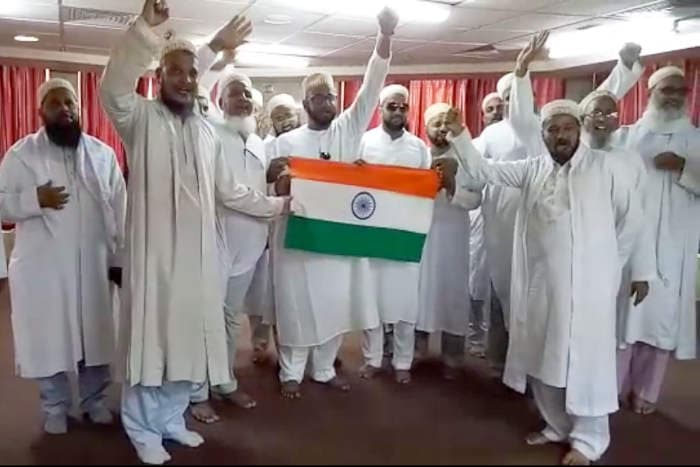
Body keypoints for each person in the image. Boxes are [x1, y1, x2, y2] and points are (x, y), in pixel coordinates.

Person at [100, 1, 288, 463]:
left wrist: (280, 205)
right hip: (156, 259)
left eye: (191, 74)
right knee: (154, 339)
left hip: (201, 259)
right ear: (159, 77)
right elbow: (113, 86)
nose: (185, 80)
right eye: (175, 72)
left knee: (188, 340)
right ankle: (142, 426)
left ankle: (169, 418)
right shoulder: (139, 120)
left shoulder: (205, 132)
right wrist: (150, 29)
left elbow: (231, 192)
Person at [449, 98, 643, 465]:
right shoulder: (532, 169)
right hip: (541, 285)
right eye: (553, 129)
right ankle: (556, 424)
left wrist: (609, 270)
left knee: (585, 362)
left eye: (568, 128)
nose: (561, 135)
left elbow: (630, 221)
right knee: (542, 354)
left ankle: (589, 440)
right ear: (543, 135)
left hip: (589, 289)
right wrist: (460, 136)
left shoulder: (605, 169)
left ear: (578, 130)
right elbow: (485, 171)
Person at [478, 32, 644, 379]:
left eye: (515, 96)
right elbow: (480, 172)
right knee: (513, 302)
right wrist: (520, 71)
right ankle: (511, 367)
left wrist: (624, 69)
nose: (506, 105)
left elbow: (596, 105)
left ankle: (548, 377)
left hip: (559, 237)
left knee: (554, 316)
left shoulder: (561, 137)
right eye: (502, 99)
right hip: (506, 228)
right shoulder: (508, 135)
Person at [270, 6, 398, 399]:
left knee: (332, 304)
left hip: (337, 236)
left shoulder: (347, 130)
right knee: (294, 303)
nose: (325, 101)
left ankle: (323, 368)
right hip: (296, 235)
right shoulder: (285, 142)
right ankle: (291, 371)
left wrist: (385, 38)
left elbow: (372, 87)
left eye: (329, 95)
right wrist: (282, 182)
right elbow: (273, 188)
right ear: (304, 103)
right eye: (316, 96)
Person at [0, 78, 126, 435]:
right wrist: (33, 201)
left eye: (69, 102)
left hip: (94, 264)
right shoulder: (21, 155)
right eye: (54, 103)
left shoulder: (103, 154)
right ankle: (54, 405)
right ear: (41, 111)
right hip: (44, 268)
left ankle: (94, 401)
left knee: (95, 334)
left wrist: (120, 258)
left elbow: (120, 208)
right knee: (48, 336)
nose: (64, 109)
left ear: (79, 107)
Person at [613, 65, 700, 415]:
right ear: (651, 93)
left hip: (675, 245)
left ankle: (646, 391)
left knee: (661, 318)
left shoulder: (695, 139)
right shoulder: (628, 136)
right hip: (632, 239)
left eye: (681, 90)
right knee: (624, 314)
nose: (675, 96)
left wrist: (684, 167)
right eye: (667, 89)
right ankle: (613, 386)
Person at [187, 70, 270, 423]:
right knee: (204, 318)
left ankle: (223, 380)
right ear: (221, 102)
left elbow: (258, 187)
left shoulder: (258, 141)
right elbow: (227, 193)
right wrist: (276, 206)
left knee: (229, 318)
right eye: (235, 94)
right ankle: (196, 391)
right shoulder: (211, 133)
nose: (243, 99)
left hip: (249, 245)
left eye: (248, 94)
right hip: (215, 242)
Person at [356, 84, 432, 384]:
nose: (398, 112)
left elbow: (427, 188)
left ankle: (403, 362)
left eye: (403, 107)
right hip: (371, 233)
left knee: (404, 301)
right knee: (370, 298)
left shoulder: (418, 148)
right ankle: (372, 359)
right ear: (380, 108)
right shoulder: (363, 142)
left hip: (405, 233)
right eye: (392, 106)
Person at [414, 103, 482, 379]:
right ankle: (416, 351)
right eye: (435, 123)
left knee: (452, 293)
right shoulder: (417, 156)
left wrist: (452, 187)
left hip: (454, 236)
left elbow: (477, 198)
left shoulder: (467, 157)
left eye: (446, 123)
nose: (441, 129)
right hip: (423, 236)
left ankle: (453, 357)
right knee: (421, 292)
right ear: (426, 128)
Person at [264, 93, 302, 158]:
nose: (286, 122)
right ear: (272, 122)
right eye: (279, 118)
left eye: (289, 115)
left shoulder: (312, 140)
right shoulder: (267, 148)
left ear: (297, 115)